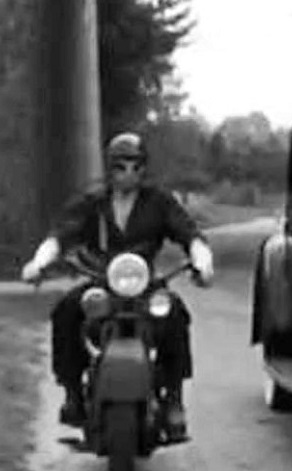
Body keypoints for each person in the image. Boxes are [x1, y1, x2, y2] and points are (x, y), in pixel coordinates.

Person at [20, 132, 215, 438]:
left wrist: (203, 262)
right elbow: (60, 234)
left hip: (144, 285)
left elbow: (190, 234)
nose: (128, 172)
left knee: (174, 314)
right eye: (120, 165)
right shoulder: (92, 201)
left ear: (144, 168)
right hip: (100, 281)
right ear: (109, 168)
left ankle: (174, 399)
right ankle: (72, 391)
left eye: (135, 165)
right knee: (67, 312)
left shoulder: (159, 201)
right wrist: (39, 262)